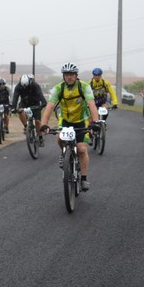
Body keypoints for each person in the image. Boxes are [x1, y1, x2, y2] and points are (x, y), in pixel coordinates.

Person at [40, 62, 102, 192]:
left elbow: (92, 105)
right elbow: (50, 107)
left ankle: (84, 178)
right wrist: (44, 124)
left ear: (76, 75)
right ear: (63, 76)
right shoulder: (58, 88)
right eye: (67, 75)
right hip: (65, 120)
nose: (69, 77)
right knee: (59, 137)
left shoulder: (84, 87)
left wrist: (95, 122)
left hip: (81, 120)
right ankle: (64, 154)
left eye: (72, 75)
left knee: (81, 149)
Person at [10, 73, 47, 145]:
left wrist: (43, 103)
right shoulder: (18, 86)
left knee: (37, 121)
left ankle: (40, 137)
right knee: (20, 111)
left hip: (35, 103)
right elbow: (15, 97)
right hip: (24, 102)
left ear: (29, 82)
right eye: (23, 86)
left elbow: (40, 94)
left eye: (26, 86)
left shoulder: (35, 85)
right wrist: (13, 107)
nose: (24, 88)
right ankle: (26, 127)